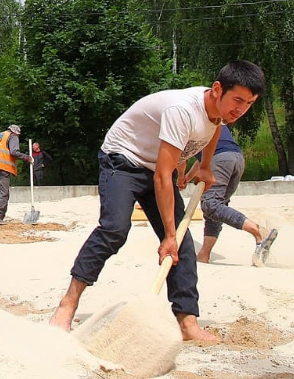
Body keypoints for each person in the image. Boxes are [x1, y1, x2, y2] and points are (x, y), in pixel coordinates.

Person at [48, 60, 265, 342]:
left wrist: (205, 166)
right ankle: (67, 304)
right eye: (237, 100)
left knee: (184, 245)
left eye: (249, 103)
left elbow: (214, 128)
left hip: (153, 165)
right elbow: (163, 177)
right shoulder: (183, 110)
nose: (241, 109)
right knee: (115, 229)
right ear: (217, 90)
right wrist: (168, 236)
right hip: (122, 159)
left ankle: (187, 322)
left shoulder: (219, 111)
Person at [179, 125, 278, 264]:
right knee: (216, 208)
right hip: (236, 158)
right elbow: (202, 158)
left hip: (219, 159)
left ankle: (258, 232)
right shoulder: (209, 115)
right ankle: (204, 254)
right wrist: (188, 178)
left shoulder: (182, 119)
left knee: (211, 204)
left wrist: (180, 177)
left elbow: (180, 158)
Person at [0, 124, 31, 225]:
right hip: (3, 167)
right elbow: (14, 152)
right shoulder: (12, 136)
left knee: (2, 192)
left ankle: (0, 217)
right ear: (15, 132)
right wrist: (27, 157)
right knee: (3, 193)